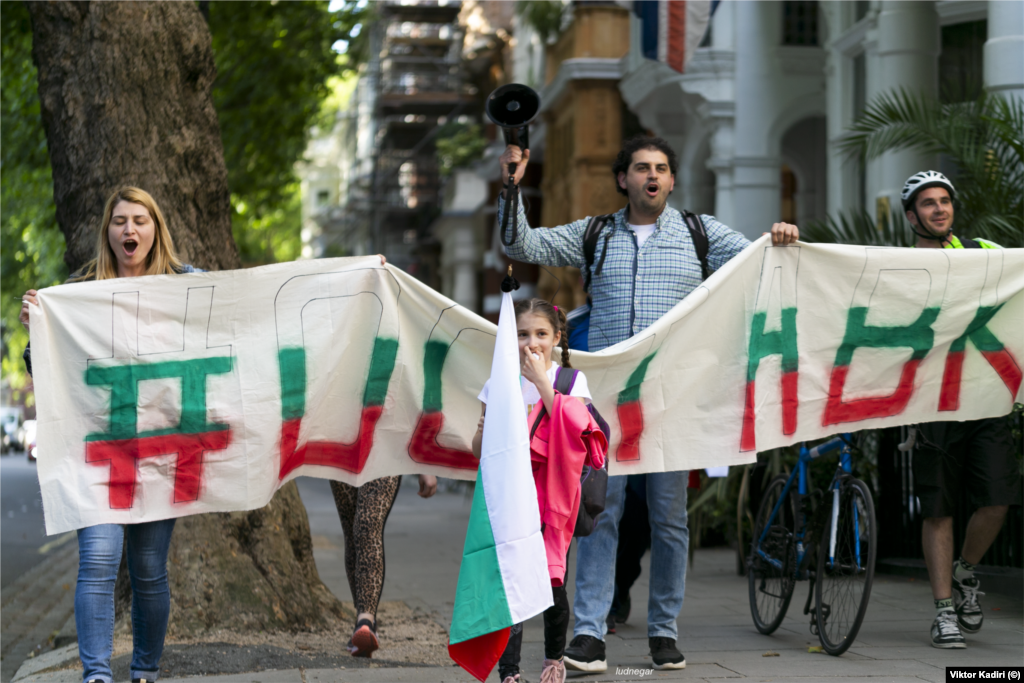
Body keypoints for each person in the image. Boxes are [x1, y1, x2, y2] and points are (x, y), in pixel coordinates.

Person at [498, 136, 798, 672]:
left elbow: (764, 257)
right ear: (624, 179)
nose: (651, 176)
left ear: (671, 181)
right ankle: (588, 634)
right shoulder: (595, 234)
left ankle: (664, 631)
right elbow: (523, 243)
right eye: (641, 168)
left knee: (669, 517)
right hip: (606, 398)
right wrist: (512, 187)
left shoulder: (700, 234)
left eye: (660, 168)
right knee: (599, 510)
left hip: (673, 395)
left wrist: (781, 235)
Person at [20, 187, 203, 683]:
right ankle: (97, 675)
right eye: (120, 221)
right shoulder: (81, 290)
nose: (130, 230)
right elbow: (48, 366)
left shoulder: (187, 284)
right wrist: (36, 329)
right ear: (108, 230)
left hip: (161, 448)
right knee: (98, 560)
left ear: (155, 228)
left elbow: (245, 314)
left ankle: (145, 669)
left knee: (148, 569)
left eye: (140, 220)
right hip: (99, 447)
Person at [900, 170, 1021, 648]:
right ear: (912, 216)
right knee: (938, 507)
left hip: (986, 394)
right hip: (931, 400)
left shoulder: (985, 253)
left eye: (944, 201)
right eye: (928, 203)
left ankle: (965, 571)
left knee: (998, 499)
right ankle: (944, 610)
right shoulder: (899, 264)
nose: (939, 209)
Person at [472, 298, 607, 683]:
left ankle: (554, 659)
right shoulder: (498, 382)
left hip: (555, 502)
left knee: (552, 580)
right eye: (522, 334)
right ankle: (509, 671)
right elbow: (479, 451)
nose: (532, 342)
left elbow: (578, 433)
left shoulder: (570, 381)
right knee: (511, 581)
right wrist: (485, 426)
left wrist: (542, 383)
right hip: (512, 497)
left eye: (541, 334)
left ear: (557, 338)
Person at [330, 472, 437, 658]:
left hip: (387, 448)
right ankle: (362, 622)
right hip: (342, 447)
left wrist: (425, 467)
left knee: (367, 524)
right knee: (352, 532)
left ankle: (366, 621)